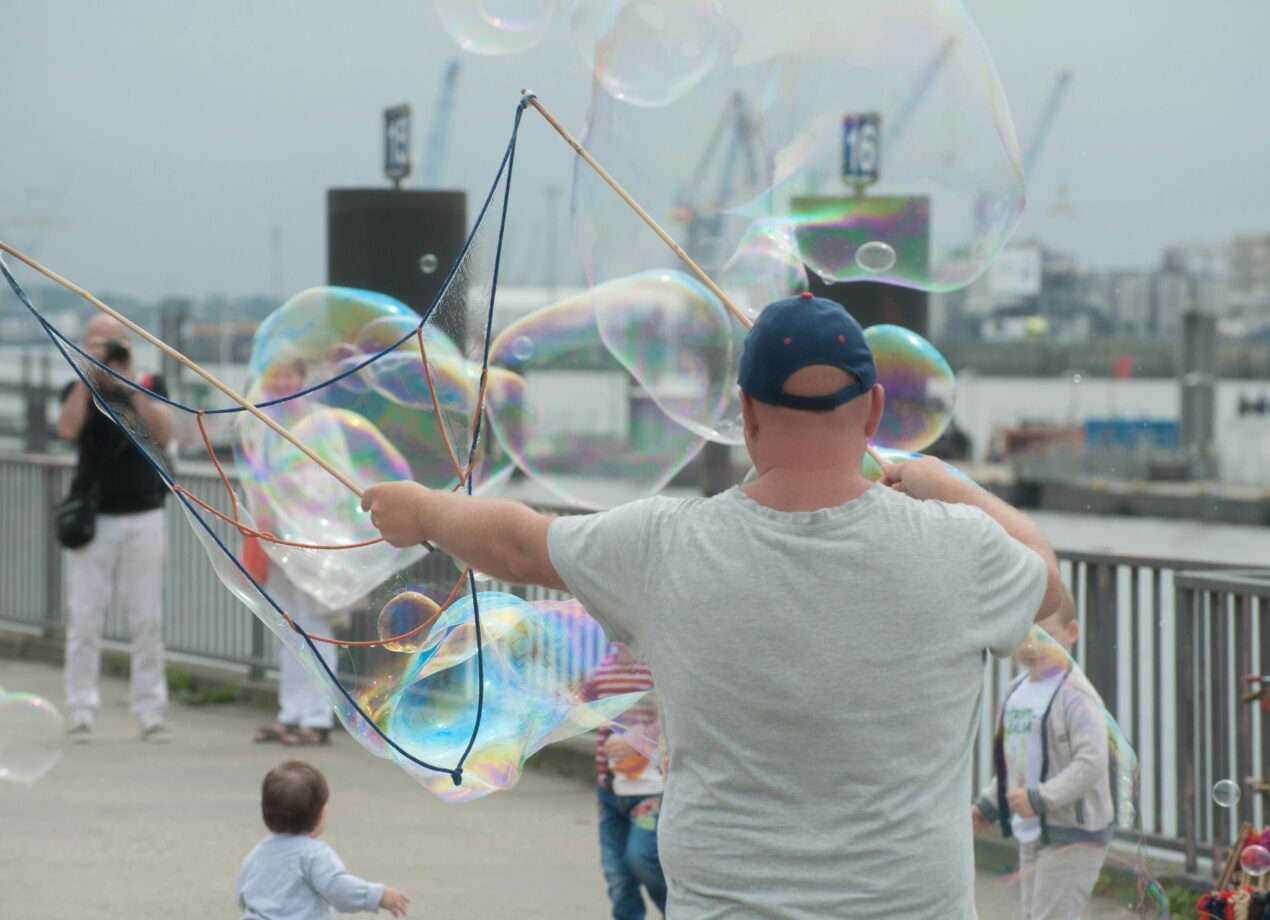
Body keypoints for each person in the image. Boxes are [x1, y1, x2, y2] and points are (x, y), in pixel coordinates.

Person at [361, 292, 1064, 918]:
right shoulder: (962, 548)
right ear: (875, 409)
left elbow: (518, 544)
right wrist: (948, 484)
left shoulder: (665, 545)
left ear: (748, 413)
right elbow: (1049, 583)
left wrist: (421, 509)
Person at [57, 314, 174, 743]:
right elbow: (67, 428)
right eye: (95, 344)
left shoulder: (148, 381)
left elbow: (163, 434)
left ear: (128, 344)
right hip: (95, 519)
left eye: (111, 344)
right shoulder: (77, 387)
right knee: (85, 620)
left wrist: (128, 382)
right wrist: (89, 379)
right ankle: (80, 710)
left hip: (144, 514)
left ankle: (150, 711)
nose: (103, 351)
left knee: (147, 620)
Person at [972, 588, 1113, 920]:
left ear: (1072, 633)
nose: (1032, 645)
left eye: (1045, 634)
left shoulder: (1076, 695)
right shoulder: (1015, 692)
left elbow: (1092, 760)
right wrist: (990, 804)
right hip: (1033, 830)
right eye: (1025, 633)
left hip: (1073, 834)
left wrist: (1040, 798)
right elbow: (1016, 761)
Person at [246, 360, 337, 747]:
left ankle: (318, 716)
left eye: (288, 375)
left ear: (302, 379)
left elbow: (331, 480)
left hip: (310, 537)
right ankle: (292, 712)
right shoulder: (261, 424)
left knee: (315, 625)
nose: (281, 382)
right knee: (288, 625)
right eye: (274, 376)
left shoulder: (321, 424)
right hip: (275, 536)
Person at [237, 759, 409, 919]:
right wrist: (376, 896)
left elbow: (243, 897)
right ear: (321, 814)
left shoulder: (255, 856)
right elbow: (337, 888)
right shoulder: (313, 855)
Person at [582, 644, 668, 919]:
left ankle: (677, 910)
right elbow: (581, 710)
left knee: (641, 859)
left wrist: (636, 740)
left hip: (649, 793)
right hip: (610, 792)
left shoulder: (654, 670)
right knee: (616, 871)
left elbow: (669, 717)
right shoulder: (601, 672)